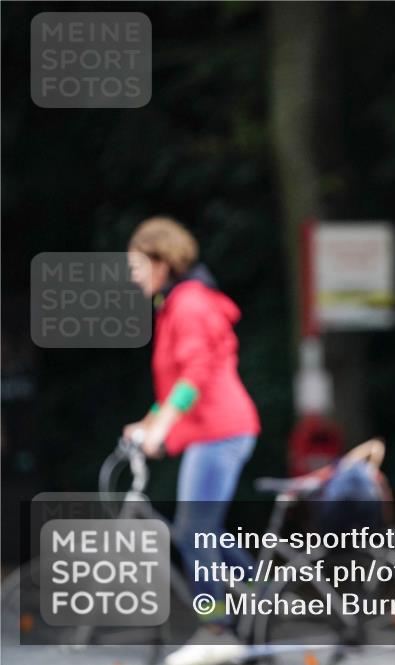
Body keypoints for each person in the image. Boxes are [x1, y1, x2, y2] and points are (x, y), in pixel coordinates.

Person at [124, 217, 260, 665]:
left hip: (220, 433)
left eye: (137, 266)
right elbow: (174, 384)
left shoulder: (189, 304)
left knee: (193, 531)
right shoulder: (174, 305)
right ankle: (263, 597)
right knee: (203, 531)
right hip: (213, 432)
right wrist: (148, 422)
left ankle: (216, 629)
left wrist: (161, 429)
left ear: (162, 262)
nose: (133, 277)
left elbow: (196, 374)